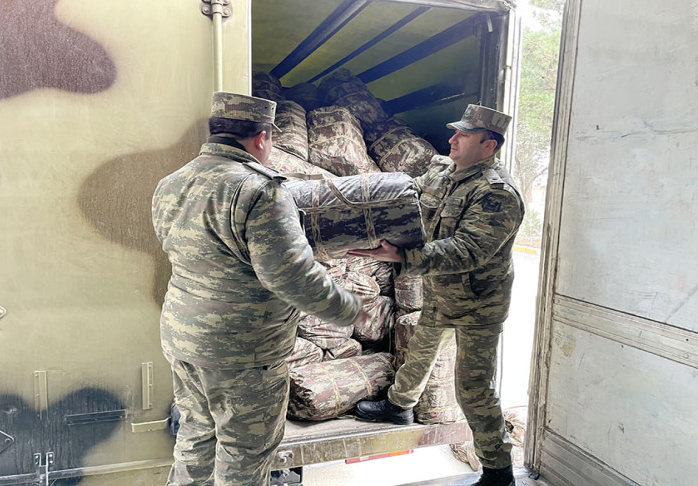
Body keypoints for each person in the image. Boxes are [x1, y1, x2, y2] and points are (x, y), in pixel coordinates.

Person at [152, 92, 367, 486]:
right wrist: (351, 309)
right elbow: (291, 275)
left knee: (196, 436)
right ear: (261, 138)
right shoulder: (259, 191)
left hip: (183, 338)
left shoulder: (171, 183)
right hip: (242, 351)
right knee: (245, 454)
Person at [350, 104, 524, 486]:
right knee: (421, 350)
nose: (452, 139)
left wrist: (403, 255)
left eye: (463, 135)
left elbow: (468, 250)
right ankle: (399, 406)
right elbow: (411, 203)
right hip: (441, 292)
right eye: (455, 132)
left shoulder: (497, 194)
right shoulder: (445, 172)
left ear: (488, 146)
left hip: (479, 304)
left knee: (473, 388)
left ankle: (498, 471)